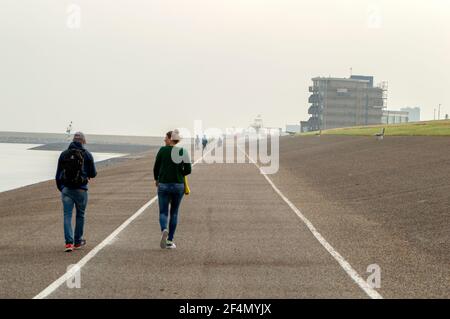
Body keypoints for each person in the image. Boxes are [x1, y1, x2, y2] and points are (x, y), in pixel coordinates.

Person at [55, 132, 97, 252]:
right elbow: (93, 173)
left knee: (67, 215)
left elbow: (58, 175)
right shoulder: (87, 154)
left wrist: (62, 188)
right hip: (81, 189)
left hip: (67, 189)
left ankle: (69, 243)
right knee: (80, 215)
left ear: (73, 140)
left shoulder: (64, 154)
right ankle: (78, 242)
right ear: (83, 141)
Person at [153, 129, 192, 249]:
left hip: (164, 184)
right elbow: (188, 169)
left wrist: (157, 179)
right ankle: (170, 240)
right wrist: (180, 173)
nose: (164, 139)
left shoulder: (162, 150)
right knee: (174, 212)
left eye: (166, 137)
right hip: (178, 185)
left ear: (170, 139)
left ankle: (164, 229)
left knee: (163, 211)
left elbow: (156, 167)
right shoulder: (183, 151)